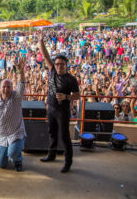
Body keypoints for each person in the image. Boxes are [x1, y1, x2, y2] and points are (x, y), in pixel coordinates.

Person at [38, 31, 80, 173]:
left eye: (61, 64)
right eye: (57, 64)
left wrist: (66, 97)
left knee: (64, 136)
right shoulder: (52, 72)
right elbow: (45, 55)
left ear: (66, 65)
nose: (59, 66)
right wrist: (40, 41)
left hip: (63, 111)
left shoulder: (71, 79)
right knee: (52, 132)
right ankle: (51, 154)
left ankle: (68, 162)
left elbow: (77, 96)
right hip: (51, 108)